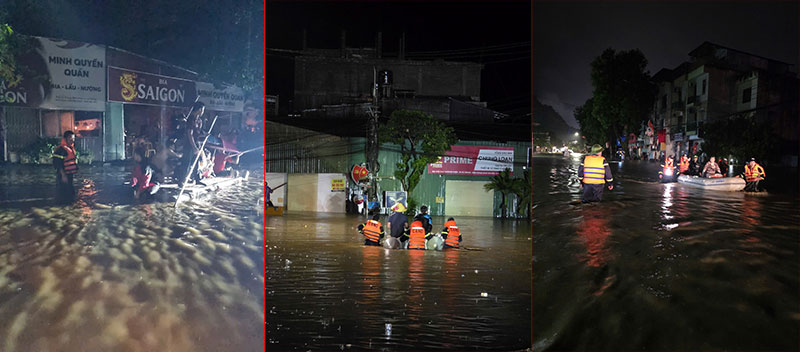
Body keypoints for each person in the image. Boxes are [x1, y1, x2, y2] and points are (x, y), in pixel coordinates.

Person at [176, 102, 206, 186]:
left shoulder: (199, 120)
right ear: (199, 110)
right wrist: (194, 147)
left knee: (196, 162)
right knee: (186, 162)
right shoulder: (190, 120)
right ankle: (181, 180)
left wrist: (204, 135)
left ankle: (197, 179)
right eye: (202, 110)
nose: (203, 112)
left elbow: (198, 133)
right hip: (189, 144)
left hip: (196, 143)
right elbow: (190, 134)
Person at [52, 130, 78, 203]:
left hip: (69, 174)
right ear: (65, 139)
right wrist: (63, 175)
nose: (72, 141)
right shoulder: (60, 149)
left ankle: (69, 207)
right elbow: (57, 163)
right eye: (70, 139)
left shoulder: (70, 148)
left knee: (70, 192)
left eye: (73, 139)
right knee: (63, 192)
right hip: (62, 175)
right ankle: (62, 206)